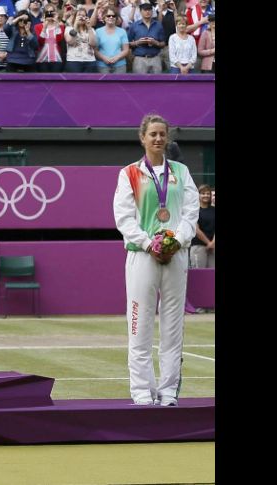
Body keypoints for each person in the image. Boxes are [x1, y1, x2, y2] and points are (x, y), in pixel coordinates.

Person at [113, 113, 199, 406]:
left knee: (173, 326)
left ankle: (168, 391)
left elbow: (190, 213)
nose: (159, 139)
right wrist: (151, 244)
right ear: (143, 138)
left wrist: (177, 240)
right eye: (153, 134)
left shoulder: (182, 172)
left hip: (175, 255)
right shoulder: (129, 174)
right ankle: (141, 390)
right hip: (143, 256)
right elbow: (124, 219)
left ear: (168, 138)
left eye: (163, 134)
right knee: (139, 323)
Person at [189, 183, 215, 269]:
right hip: (198, 246)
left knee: (212, 275)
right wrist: (209, 243)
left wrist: (212, 243)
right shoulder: (194, 210)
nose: (206, 195)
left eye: (208, 194)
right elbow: (196, 230)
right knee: (199, 275)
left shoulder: (213, 210)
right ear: (198, 195)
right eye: (203, 193)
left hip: (213, 247)